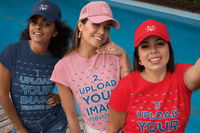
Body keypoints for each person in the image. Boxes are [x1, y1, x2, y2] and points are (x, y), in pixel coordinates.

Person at [50, 1, 132, 133]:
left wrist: (124, 56)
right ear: (80, 25)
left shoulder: (116, 57)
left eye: (107, 27)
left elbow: (132, 95)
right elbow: (71, 115)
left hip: (126, 128)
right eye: (96, 24)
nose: (102, 32)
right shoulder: (63, 67)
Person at [107, 19, 200, 133]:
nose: (153, 50)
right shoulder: (125, 88)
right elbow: (113, 130)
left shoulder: (182, 77)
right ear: (139, 56)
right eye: (145, 46)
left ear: (169, 49)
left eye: (160, 44)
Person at [0, 0, 73, 133]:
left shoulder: (60, 57)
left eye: (45, 24)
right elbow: (3, 94)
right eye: (34, 22)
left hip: (54, 121)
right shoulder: (12, 52)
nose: (38, 27)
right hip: (23, 125)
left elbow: (79, 83)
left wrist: (60, 96)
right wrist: (19, 128)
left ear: (55, 32)